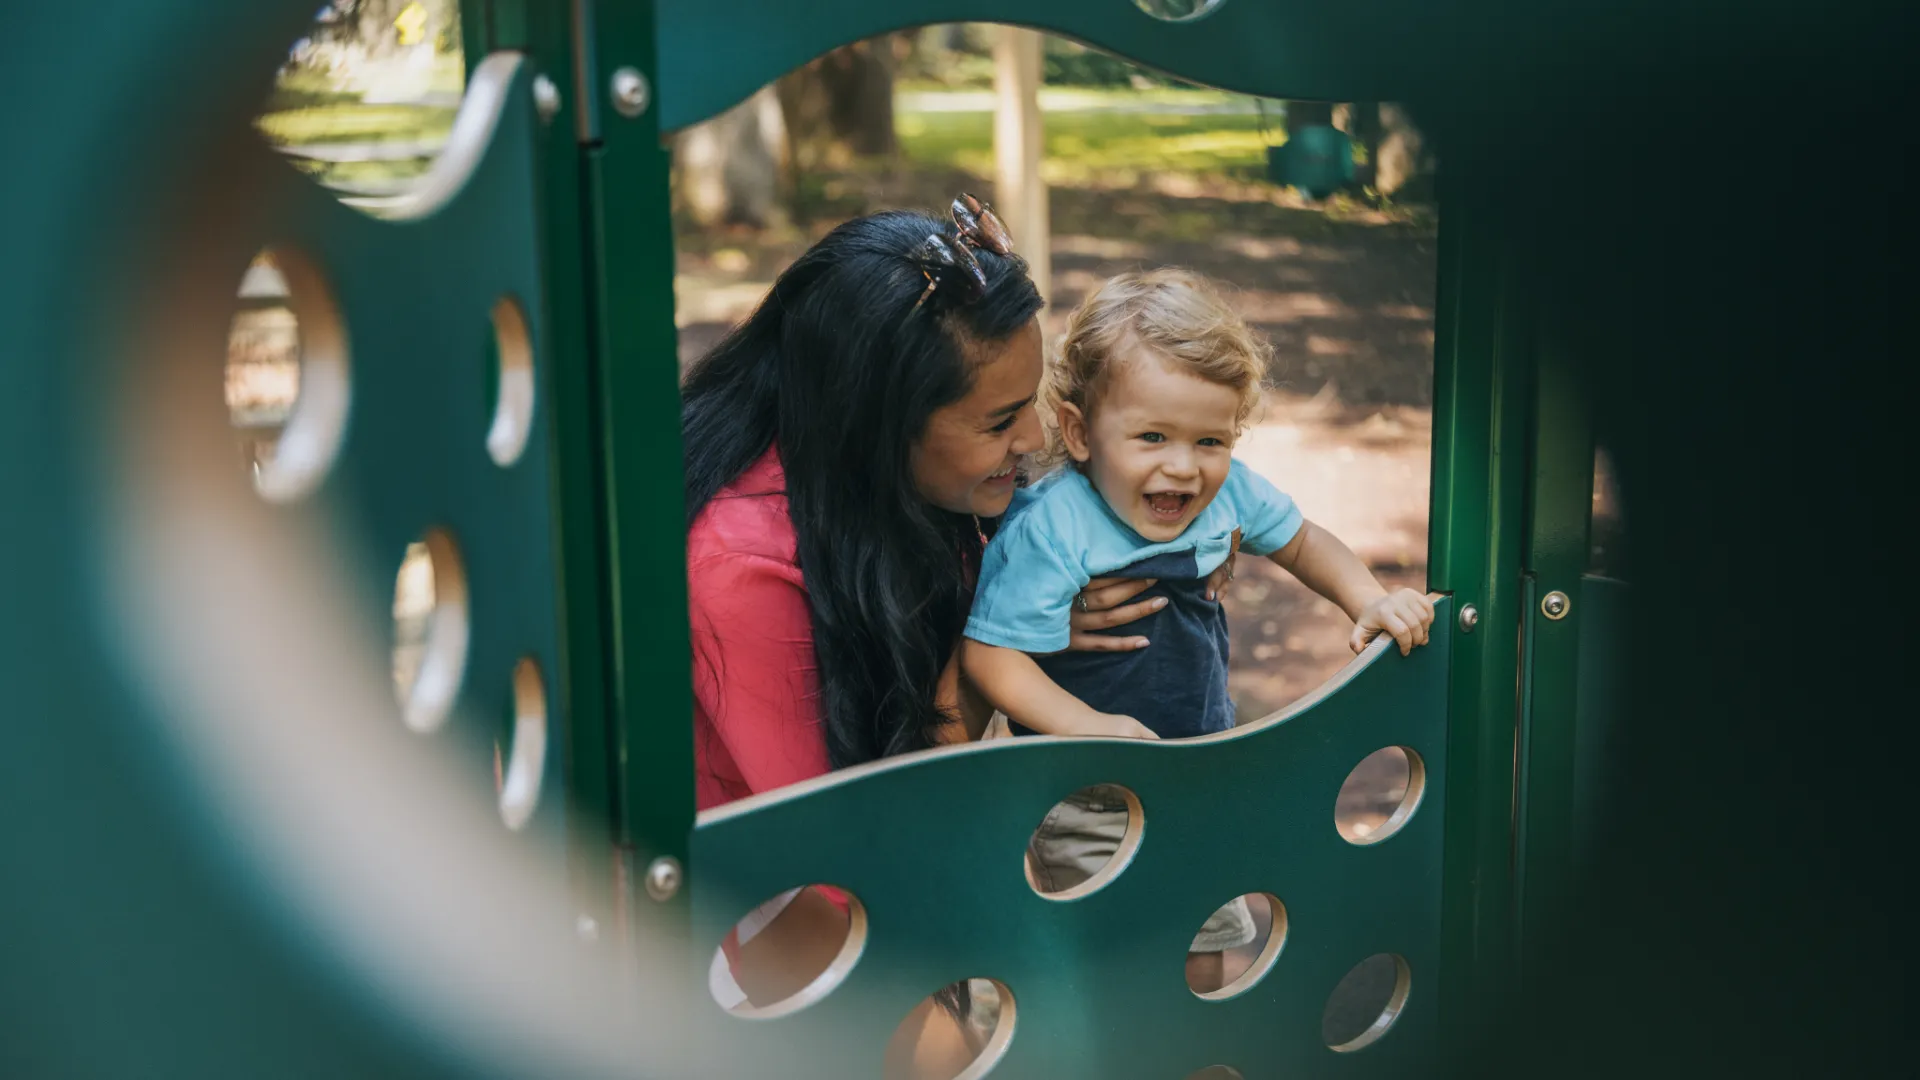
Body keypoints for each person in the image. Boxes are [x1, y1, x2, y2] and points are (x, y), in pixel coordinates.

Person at [681, 202, 1230, 1067]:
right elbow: (839, 855)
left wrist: (1050, 599)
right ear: (879, 420)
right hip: (755, 889)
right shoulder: (739, 567)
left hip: (901, 822)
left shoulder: (892, 485)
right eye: (999, 419)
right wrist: (988, 650)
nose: (1037, 438)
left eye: (1032, 402)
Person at [961, 268, 1436, 992]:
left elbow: (1303, 542)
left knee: (1203, 956)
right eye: (1151, 436)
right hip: (1090, 795)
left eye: (1211, 440)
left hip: (1199, 774)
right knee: (1107, 974)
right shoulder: (1052, 528)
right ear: (1081, 432)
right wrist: (1088, 724)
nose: (1183, 467)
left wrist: (1364, 597)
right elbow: (993, 656)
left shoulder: (1230, 493)